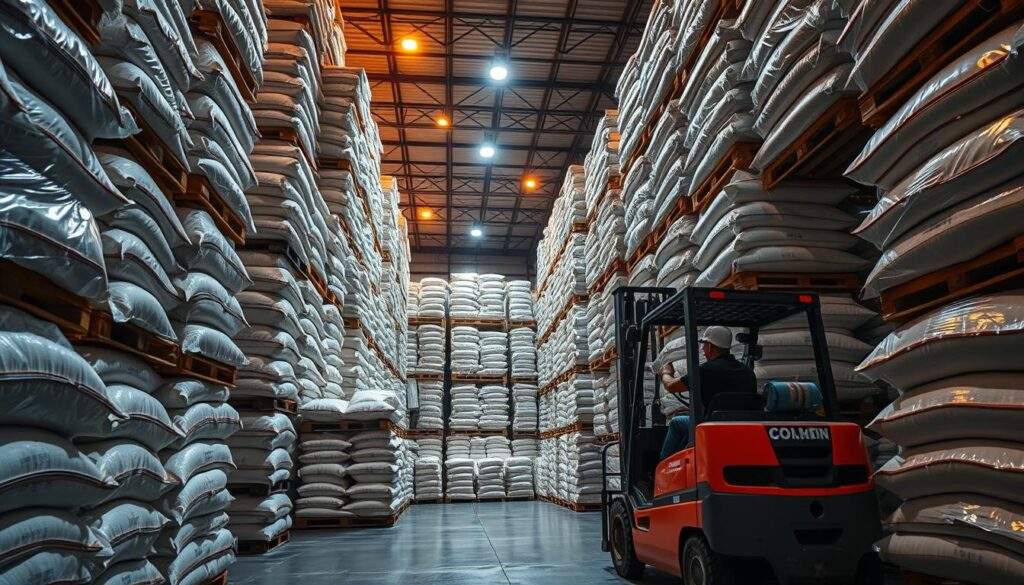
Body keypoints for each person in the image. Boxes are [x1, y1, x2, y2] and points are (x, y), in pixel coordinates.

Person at [658, 326, 757, 460]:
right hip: (743, 429)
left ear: (710, 347)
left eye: (704, 346)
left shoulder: (705, 371)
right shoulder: (748, 372)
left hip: (712, 428)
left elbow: (671, 386)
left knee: (676, 422)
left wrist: (666, 372)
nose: (703, 351)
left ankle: (664, 469)